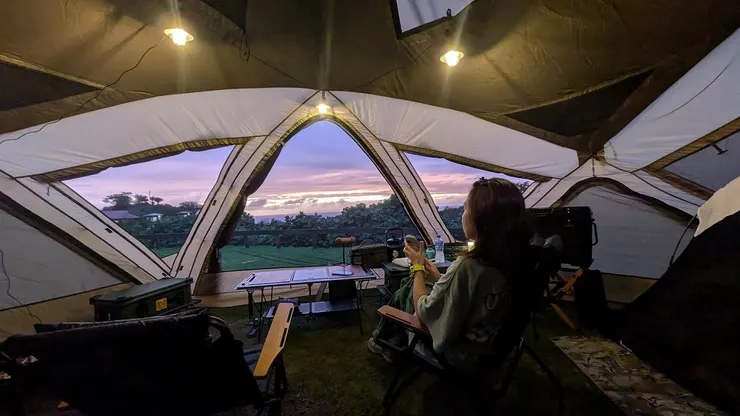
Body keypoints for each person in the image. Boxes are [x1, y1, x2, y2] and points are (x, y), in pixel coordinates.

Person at [368, 177, 531, 363]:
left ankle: (385, 341)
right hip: (489, 347)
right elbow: (472, 294)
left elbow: (423, 311)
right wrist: (438, 277)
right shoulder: (513, 262)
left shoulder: (469, 265)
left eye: (466, 208)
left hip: (455, 354)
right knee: (413, 284)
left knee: (407, 289)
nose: (462, 215)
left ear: (482, 219)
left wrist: (418, 268)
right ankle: (389, 340)